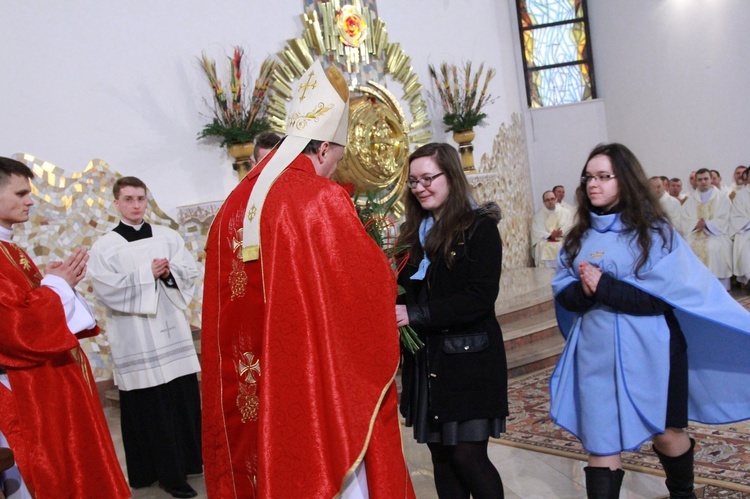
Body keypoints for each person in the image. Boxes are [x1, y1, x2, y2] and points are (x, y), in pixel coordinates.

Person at [201, 60, 414, 498]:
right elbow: (364, 289)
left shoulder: (231, 207)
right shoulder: (318, 198)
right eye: (337, 157)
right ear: (321, 150)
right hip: (311, 377)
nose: (335, 168)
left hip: (256, 377)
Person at [550, 143, 750, 498]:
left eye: (603, 177)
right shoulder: (579, 235)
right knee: (602, 440)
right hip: (595, 354)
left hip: (656, 348)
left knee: (667, 433)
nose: (592, 185)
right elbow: (564, 294)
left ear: (624, 181)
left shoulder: (656, 232)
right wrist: (585, 290)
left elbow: (663, 299)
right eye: (588, 177)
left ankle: (682, 492)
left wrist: (605, 286)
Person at [0, 157, 130, 498]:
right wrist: (55, 286)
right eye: (21, 193)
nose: (30, 200)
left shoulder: (9, 248)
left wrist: (57, 285)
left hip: (47, 386)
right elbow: (16, 331)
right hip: (24, 393)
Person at [395, 142, 507, 499]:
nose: (421, 187)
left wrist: (414, 314)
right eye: (414, 181)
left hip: (468, 359)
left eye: (429, 178)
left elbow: (479, 298)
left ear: (451, 177)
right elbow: (404, 288)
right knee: (441, 459)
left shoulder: (480, 228)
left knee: (468, 456)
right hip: (427, 359)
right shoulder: (412, 234)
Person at [88, 176, 202, 498]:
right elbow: (104, 288)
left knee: (180, 398)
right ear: (116, 203)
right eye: (129, 199)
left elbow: (189, 271)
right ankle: (162, 473)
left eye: (141, 198)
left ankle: (189, 463)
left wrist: (170, 273)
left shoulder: (167, 236)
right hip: (135, 336)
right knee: (151, 406)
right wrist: (145, 274)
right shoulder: (105, 246)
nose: (136, 205)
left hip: (171, 330)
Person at [678, 168, 734, 290]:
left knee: (713, 247)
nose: (703, 182)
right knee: (688, 246)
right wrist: (696, 224)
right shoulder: (690, 201)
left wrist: (708, 224)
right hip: (695, 233)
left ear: (711, 180)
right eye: (700, 179)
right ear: (696, 182)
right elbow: (684, 219)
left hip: (717, 234)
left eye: (706, 179)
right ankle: (696, 287)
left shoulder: (722, 198)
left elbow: (725, 218)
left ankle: (719, 287)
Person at [531, 190, 573, 268]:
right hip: (546, 241)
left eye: (552, 199)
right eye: (547, 200)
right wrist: (550, 235)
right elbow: (536, 232)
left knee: (567, 246)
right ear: (543, 202)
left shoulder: (566, 212)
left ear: (556, 199)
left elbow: (570, 225)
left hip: (563, 239)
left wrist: (560, 232)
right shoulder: (538, 216)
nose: (550, 201)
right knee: (542, 248)